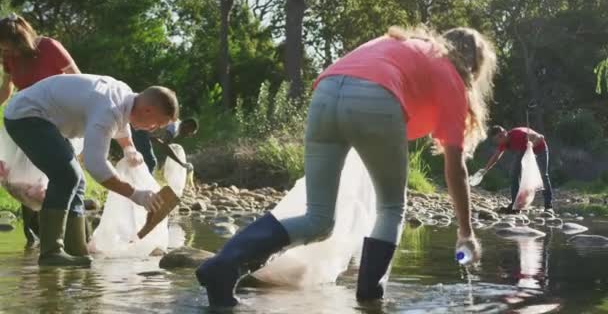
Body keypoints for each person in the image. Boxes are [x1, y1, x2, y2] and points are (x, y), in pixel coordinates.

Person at [195, 25, 497, 306]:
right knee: (391, 209)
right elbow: (455, 167)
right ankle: (369, 299)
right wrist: (466, 231)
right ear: (473, 66)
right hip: (376, 98)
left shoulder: (404, 44)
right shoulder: (449, 72)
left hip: (325, 93)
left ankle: (223, 265)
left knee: (318, 220)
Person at [3, 73, 179, 266]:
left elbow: (120, 123)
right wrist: (136, 194)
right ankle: (51, 253)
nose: (153, 129)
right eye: (157, 123)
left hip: (48, 119)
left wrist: (128, 147)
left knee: (78, 182)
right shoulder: (108, 108)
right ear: (147, 110)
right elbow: (95, 164)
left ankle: (77, 251)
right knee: (67, 176)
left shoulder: (126, 97)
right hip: (26, 115)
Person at [0, 12, 81, 247]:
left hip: (58, 121)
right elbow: (7, 88)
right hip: (26, 122)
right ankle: (34, 238)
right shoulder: (8, 57)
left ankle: (66, 239)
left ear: (20, 38)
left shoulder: (49, 47)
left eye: (7, 46)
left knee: (62, 177)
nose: (5, 51)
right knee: (23, 182)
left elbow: (77, 78)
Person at [481, 125, 553, 214]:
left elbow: (541, 137)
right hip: (524, 150)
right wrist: (485, 169)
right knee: (514, 173)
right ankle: (515, 205)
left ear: (502, 134)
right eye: (496, 141)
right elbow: (496, 156)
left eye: (497, 139)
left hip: (540, 148)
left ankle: (548, 206)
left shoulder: (519, 133)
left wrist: (532, 144)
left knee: (543, 175)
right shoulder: (504, 142)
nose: (497, 143)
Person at [132, 117, 198, 173]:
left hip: (140, 130)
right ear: (187, 125)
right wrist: (181, 163)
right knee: (151, 162)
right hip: (139, 130)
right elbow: (164, 145)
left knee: (138, 159)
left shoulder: (175, 125)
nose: (188, 135)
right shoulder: (174, 127)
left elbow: (155, 139)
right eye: (190, 132)